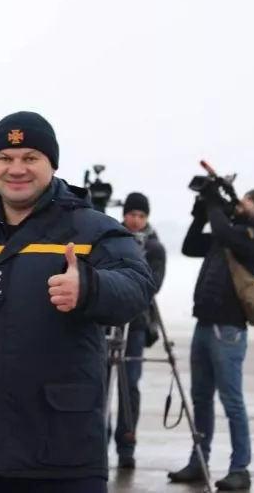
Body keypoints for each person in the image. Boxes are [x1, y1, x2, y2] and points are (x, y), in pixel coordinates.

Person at [0, 111, 155, 493]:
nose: (17, 169)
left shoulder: (93, 229)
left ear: (52, 163)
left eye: (30, 157)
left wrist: (91, 287)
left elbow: (137, 287)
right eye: (5, 158)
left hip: (65, 455)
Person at [167, 184, 254, 491]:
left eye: (248, 200)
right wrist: (200, 214)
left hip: (228, 330)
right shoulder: (228, 233)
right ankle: (198, 462)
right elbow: (190, 246)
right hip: (204, 324)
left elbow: (223, 231)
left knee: (232, 402)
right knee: (201, 398)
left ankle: (240, 468)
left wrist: (214, 204)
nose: (242, 201)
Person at [112, 191, 167, 469]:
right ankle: (94, 442)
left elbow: (152, 285)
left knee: (130, 384)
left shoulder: (155, 248)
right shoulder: (111, 238)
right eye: (132, 214)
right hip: (107, 321)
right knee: (98, 382)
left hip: (136, 323)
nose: (135, 220)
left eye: (141, 215)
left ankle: (126, 444)